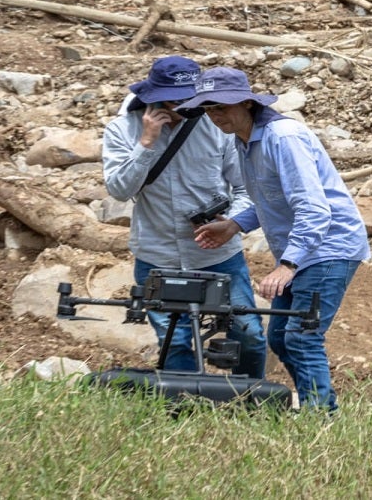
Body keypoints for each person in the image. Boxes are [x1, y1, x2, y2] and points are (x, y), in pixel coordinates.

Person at [184, 67, 369, 410]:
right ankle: (318, 407)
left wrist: (287, 265)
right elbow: (270, 198)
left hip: (328, 247)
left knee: (301, 337)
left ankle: (320, 418)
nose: (215, 116)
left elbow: (314, 208)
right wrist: (235, 225)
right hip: (303, 248)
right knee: (281, 339)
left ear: (246, 103)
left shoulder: (283, 137)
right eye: (208, 110)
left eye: (221, 107)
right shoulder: (244, 139)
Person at [102, 57, 266, 379]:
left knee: (249, 333)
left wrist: (230, 223)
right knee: (174, 343)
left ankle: (250, 401)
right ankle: (188, 411)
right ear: (152, 95)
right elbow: (119, 190)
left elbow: (248, 189)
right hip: (157, 255)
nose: (179, 105)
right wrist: (146, 143)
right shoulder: (123, 129)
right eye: (172, 98)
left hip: (218, 255)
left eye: (187, 98)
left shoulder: (216, 127)